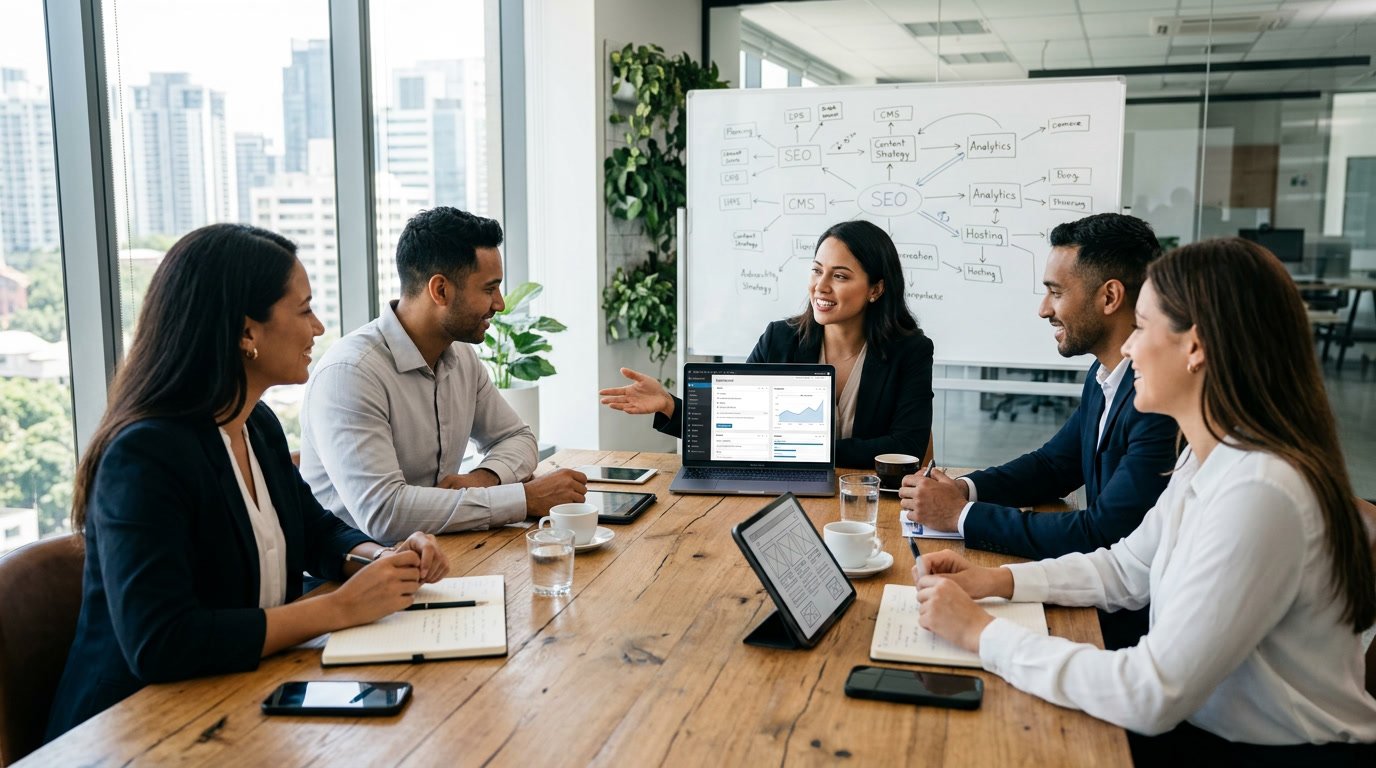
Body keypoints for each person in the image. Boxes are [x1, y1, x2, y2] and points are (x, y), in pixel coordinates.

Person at [912, 238, 1376, 763]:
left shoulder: (1260, 492)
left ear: (1195, 347)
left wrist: (982, 634)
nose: (1128, 348)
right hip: (1208, 729)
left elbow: (1151, 694)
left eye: (1144, 327)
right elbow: (1127, 568)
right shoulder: (1210, 457)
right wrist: (995, 581)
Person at [46, 224, 449, 740]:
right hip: (134, 730)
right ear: (245, 332)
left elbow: (317, 531)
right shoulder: (144, 455)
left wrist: (383, 559)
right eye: (304, 310)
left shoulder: (255, 424)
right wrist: (339, 608)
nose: (319, 327)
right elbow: (162, 642)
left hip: (239, 699)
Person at [900, 213, 1178, 648]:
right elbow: (1055, 465)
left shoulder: (1157, 401)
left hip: (1129, 628)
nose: (1043, 308)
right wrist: (965, 489)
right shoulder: (1104, 374)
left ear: (1110, 297)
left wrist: (960, 517)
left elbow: (1103, 533)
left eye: (1056, 291)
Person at [299, 207, 586, 542]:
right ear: (440, 291)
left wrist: (483, 478)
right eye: (489, 288)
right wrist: (525, 499)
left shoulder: (461, 357)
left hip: (442, 554)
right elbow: (385, 513)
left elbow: (517, 439)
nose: (501, 303)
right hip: (355, 577)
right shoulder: (351, 374)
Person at [600, 219, 933, 468]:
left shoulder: (911, 352)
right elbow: (734, 425)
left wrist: (796, 450)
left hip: (869, 499)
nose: (821, 286)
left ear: (875, 289)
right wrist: (669, 405)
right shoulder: (780, 338)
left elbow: (907, 447)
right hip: (784, 490)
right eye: (817, 271)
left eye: (840, 276)